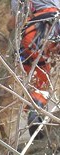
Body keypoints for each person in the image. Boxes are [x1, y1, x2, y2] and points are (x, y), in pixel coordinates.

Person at [7, 0, 60, 139]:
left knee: (39, 81)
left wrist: (9, 27)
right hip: (56, 24)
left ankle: (34, 112)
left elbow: (17, 20)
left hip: (36, 32)